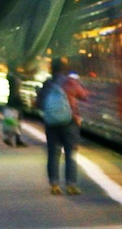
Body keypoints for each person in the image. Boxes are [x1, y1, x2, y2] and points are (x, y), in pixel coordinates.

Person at [37, 63, 88, 195]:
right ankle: (71, 185)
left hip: (51, 124)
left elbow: (39, 103)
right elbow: (83, 96)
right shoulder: (70, 82)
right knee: (70, 154)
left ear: (51, 69)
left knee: (53, 154)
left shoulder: (47, 84)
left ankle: (54, 185)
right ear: (64, 70)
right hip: (70, 123)